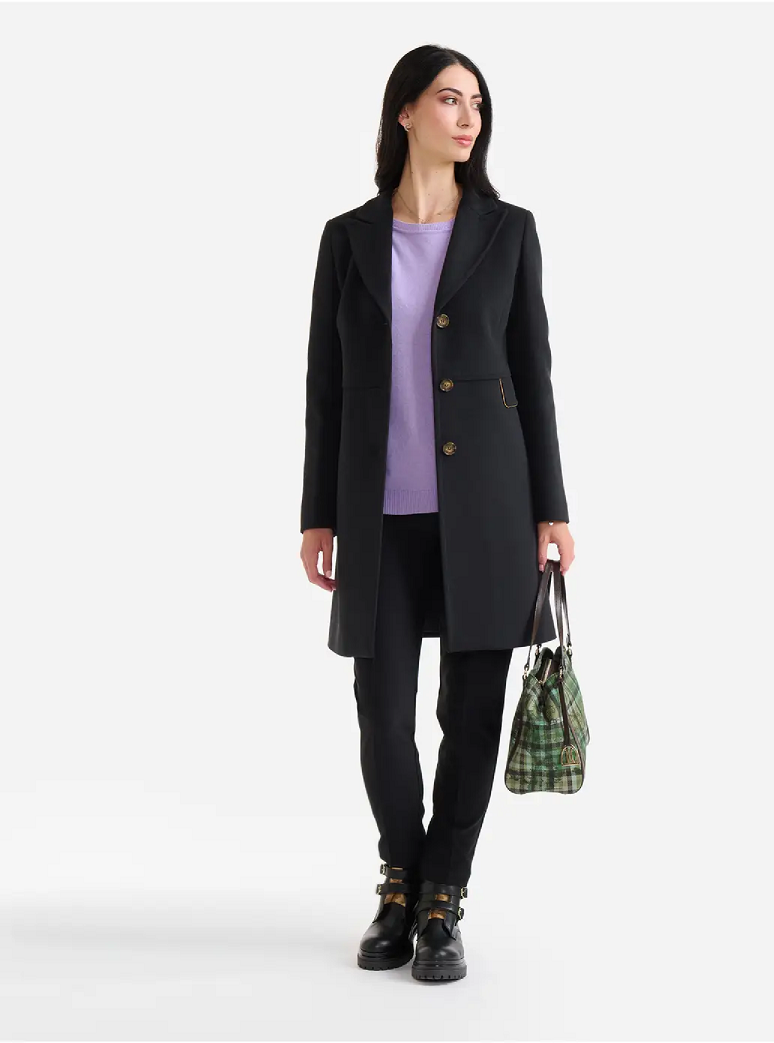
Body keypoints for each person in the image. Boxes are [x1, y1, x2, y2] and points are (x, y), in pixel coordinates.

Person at [299, 44, 575, 983]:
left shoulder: (508, 231)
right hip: (376, 516)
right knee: (381, 716)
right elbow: (325, 386)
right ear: (405, 111)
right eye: (450, 100)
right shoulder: (347, 238)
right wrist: (316, 513)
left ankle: (441, 899)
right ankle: (399, 880)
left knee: (470, 714)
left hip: (489, 512)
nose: (468, 119)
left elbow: (533, 374)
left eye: (478, 105)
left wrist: (551, 507)